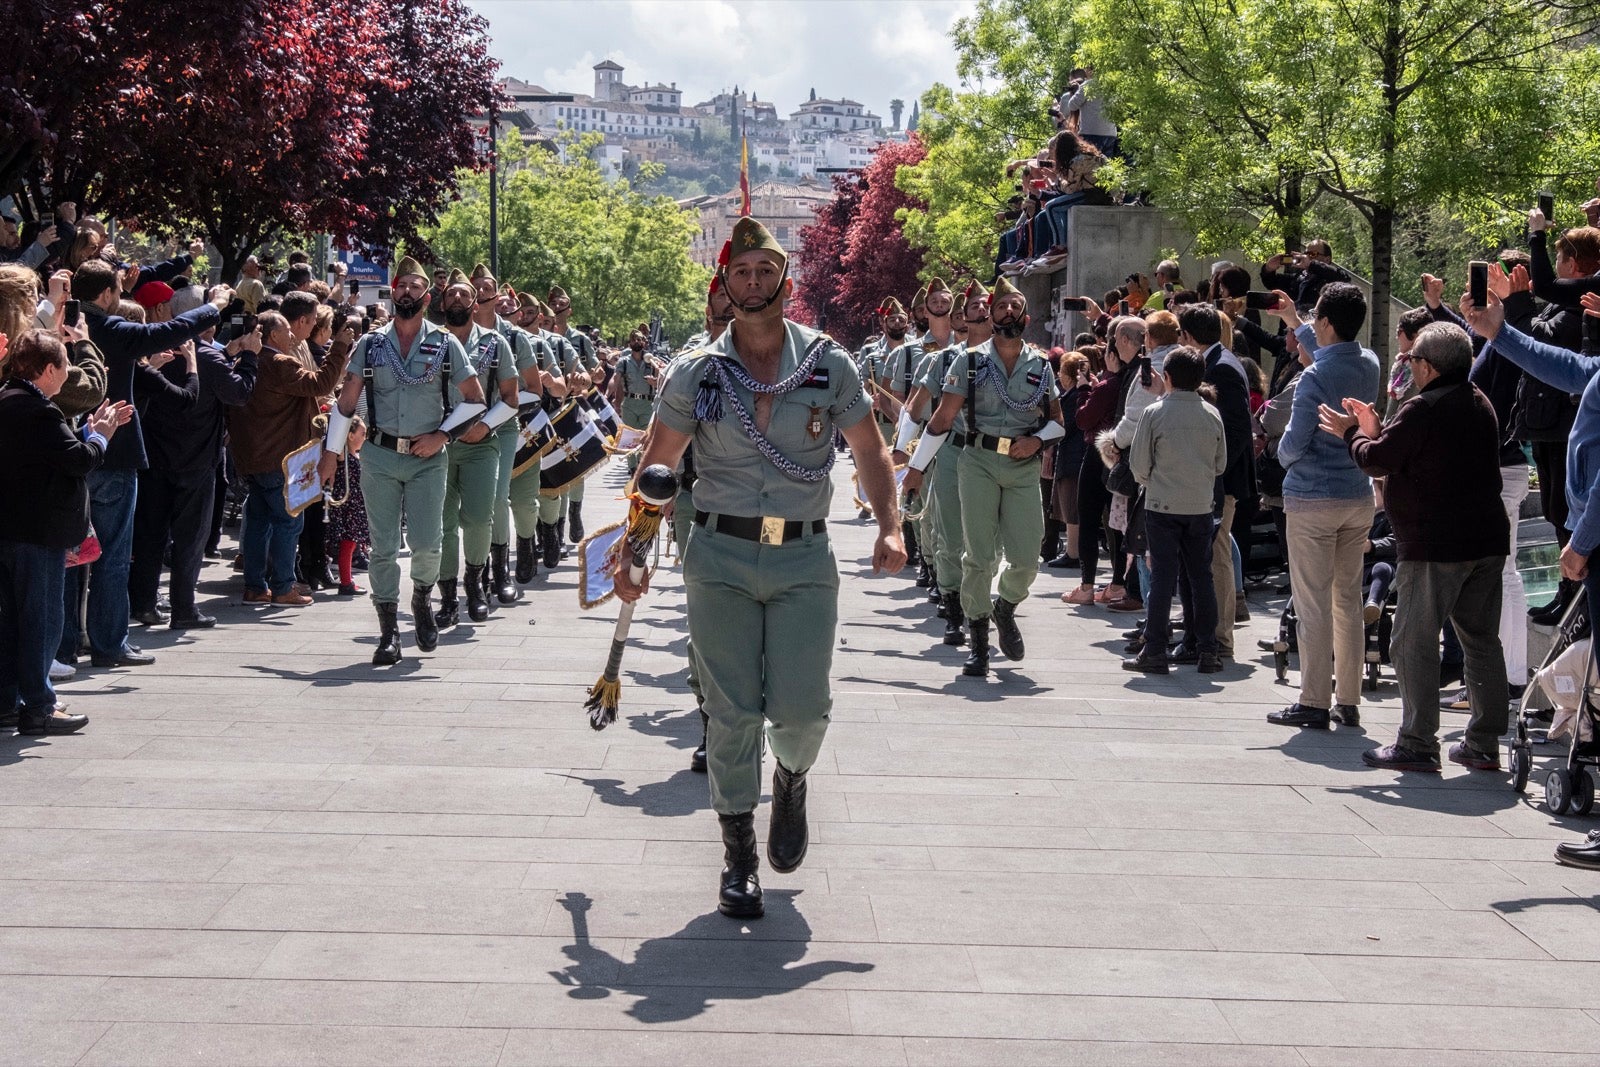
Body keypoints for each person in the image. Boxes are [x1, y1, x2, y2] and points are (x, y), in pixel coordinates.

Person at [617, 216, 905, 919]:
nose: (753, 283)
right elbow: (660, 465)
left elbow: (869, 448)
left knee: (804, 709)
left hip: (804, 553)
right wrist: (633, 548)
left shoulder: (828, 364)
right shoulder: (697, 372)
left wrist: (892, 524)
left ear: (786, 280)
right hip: (718, 554)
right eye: (741, 273)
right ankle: (738, 852)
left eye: (765, 271)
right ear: (725, 285)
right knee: (731, 711)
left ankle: (795, 778)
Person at [1318, 322, 1509, 772]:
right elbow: (1412, 451)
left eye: (1411, 360)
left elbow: (1377, 459)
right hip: (1485, 540)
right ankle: (1483, 742)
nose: (1409, 367)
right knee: (1481, 640)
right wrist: (1377, 428)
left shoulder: (1423, 407)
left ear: (1426, 365)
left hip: (1434, 546)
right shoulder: (1479, 402)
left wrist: (1352, 433)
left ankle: (1418, 741)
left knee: (1411, 642)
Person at [318, 256, 485, 665]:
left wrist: (443, 434)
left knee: (428, 544)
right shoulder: (372, 344)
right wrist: (331, 454)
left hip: (428, 457)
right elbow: (345, 401)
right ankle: (389, 629)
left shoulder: (447, 344)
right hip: (379, 455)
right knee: (383, 547)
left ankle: (423, 598)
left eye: (415, 286)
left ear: (427, 298)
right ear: (393, 293)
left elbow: (476, 399)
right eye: (401, 285)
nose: (407, 292)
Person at [71, 259, 232, 668]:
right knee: (109, 555)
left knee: (70, 558)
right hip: (113, 454)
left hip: (70, 455)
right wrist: (213, 305)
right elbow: (168, 331)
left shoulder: (61, 320)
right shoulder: (108, 327)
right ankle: (109, 644)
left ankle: (64, 645)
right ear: (107, 295)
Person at [905, 277, 1067, 678]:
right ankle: (977, 641)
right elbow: (942, 419)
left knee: (1028, 558)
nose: (1008, 311)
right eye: (1001, 306)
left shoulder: (1041, 365)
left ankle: (1005, 606)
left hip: (1022, 465)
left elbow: (1059, 424)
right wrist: (915, 469)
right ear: (990, 316)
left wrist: (1037, 441)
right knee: (977, 557)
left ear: (1026, 317)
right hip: (976, 461)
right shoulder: (970, 361)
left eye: (1015, 306)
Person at [0, 331, 130, 735]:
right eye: (65, 367)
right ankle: (40, 706)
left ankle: (7, 703)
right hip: (36, 533)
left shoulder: (7, 399)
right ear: (50, 369)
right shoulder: (39, 412)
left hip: (10, 529)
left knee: (11, 621)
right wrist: (100, 437)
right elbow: (76, 461)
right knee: (41, 619)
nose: (68, 375)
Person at [1266, 284, 1380, 729]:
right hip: (1357, 494)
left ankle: (1313, 699)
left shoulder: (1312, 379)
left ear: (1327, 322)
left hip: (1312, 497)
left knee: (1311, 602)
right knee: (1347, 600)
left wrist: (1280, 456)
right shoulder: (1369, 363)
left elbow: (1293, 442)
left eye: (1316, 319)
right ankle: (1348, 699)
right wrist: (1296, 321)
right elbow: (1330, 353)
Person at [230, 310, 352, 606]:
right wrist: (339, 347)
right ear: (273, 335)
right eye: (286, 330)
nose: (293, 336)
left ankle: (255, 587)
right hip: (281, 460)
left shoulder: (247, 362)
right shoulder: (278, 362)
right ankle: (283, 587)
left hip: (254, 458)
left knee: (259, 522)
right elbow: (321, 385)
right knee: (288, 522)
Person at [1122, 346, 1228, 674]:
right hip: (1199, 505)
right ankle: (1208, 649)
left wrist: (1152, 480)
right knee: (1201, 577)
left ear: (1166, 377)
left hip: (1161, 504)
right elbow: (1220, 463)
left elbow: (1138, 464)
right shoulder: (1212, 414)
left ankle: (1155, 649)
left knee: (1163, 577)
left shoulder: (1155, 413)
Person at [434, 269, 519, 629]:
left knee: (478, 519)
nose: (456, 299)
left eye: (463, 295)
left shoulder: (495, 343)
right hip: (438, 447)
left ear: (473, 303)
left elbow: (512, 398)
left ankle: (476, 584)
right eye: (450, 295)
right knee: (443, 523)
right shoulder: (431, 342)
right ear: (443, 303)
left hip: (482, 445)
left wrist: (484, 425)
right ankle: (449, 596)